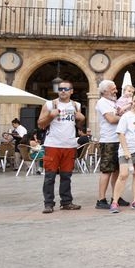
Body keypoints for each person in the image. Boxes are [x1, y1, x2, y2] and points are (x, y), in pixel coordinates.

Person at [38, 80, 85, 214]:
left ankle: (66, 202)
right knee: (49, 176)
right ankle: (48, 204)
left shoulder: (76, 105)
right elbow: (40, 124)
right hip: (53, 144)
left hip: (69, 145)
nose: (62, 91)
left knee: (66, 176)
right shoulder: (49, 104)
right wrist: (50, 115)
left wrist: (82, 119)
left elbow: (78, 126)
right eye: (60, 89)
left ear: (71, 91)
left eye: (66, 89)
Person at [110, 93, 135, 213]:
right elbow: (120, 133)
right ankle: (114, 202)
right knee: (123, 175)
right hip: (127, 150)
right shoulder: (126, 116)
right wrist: (126, 150)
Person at [95, 80, 126, 210]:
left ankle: (116, 197)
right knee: (107, 170)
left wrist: (120, 113)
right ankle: (101, 199)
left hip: (118, 139)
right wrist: (126, 117)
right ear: (105, 91)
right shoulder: (102, 102)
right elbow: (111, 119)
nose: (116, 91)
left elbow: (115, 116)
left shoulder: (112, 103)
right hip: (108, 140)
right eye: (113, 89)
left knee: (117, 171)